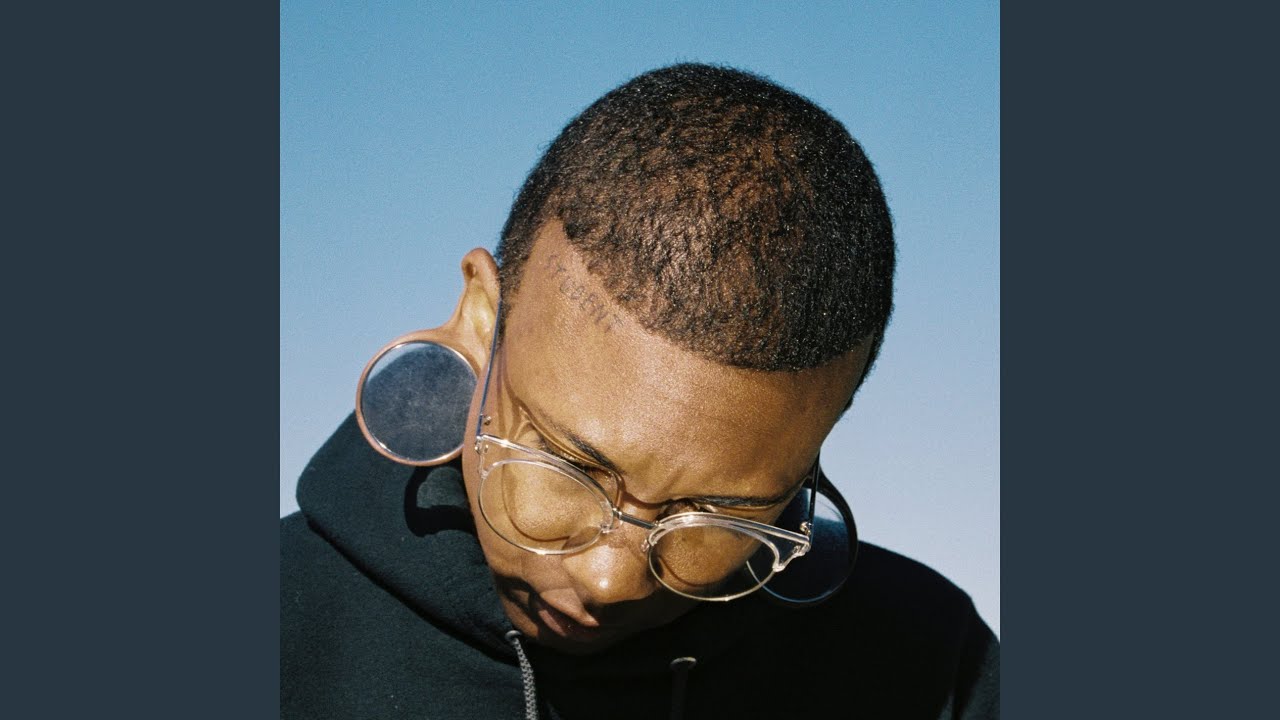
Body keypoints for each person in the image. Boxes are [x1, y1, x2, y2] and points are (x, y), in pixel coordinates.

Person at [281, 63, 998, 719]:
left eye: (714, 515)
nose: (609, 583)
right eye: (570, 466)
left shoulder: (930, 673)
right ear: (481, 321)